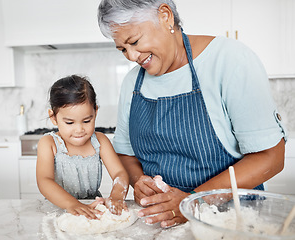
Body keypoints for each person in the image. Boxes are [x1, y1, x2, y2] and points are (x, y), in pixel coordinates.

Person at [97, 0, 287, 228]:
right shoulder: (132, 83)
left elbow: (271, 157)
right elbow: (126, 155)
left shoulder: (229, 60)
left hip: (233, 222)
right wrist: (139, 181)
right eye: (122, 49)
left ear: (165, 16)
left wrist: (193, 201)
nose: (132, 56)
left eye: (134, 42)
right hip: (159, 224)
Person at [36, 75, 129, 219]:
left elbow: (119, 174)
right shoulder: (49, 143)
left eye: (86, 121)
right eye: (69, 123)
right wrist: (71, 204)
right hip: (58, 210)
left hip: (91, 208)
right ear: (53, 117)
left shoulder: (100, 141)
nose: (79, 129)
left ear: (95, 112)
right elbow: (44, 181)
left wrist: (117, 196)